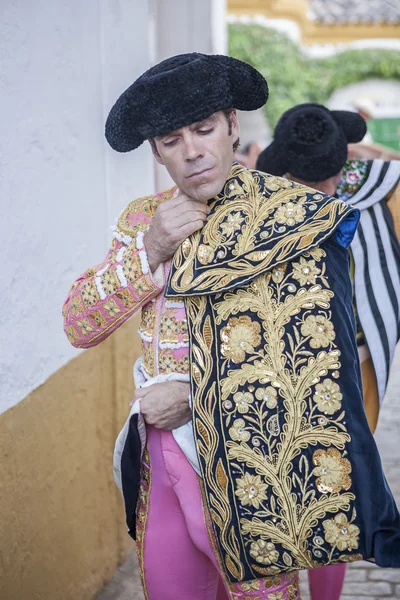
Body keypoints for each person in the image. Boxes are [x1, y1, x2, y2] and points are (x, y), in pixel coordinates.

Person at [63, 56, 400, 600]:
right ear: (155, 151)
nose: (192, 151)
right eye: (171, 140)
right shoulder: (140, 221)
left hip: (253, 475)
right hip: (160, 462)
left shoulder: (293, 217)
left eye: (204, 130)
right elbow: (78, 324)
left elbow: (314, 371)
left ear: (232, 127)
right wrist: (150, 251)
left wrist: (196, 397)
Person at [256, 102, 400, 600]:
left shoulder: (267, 194)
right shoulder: (374, 186)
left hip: (348, 367)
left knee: (333, 487)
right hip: (289, 371)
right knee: (310, 491)